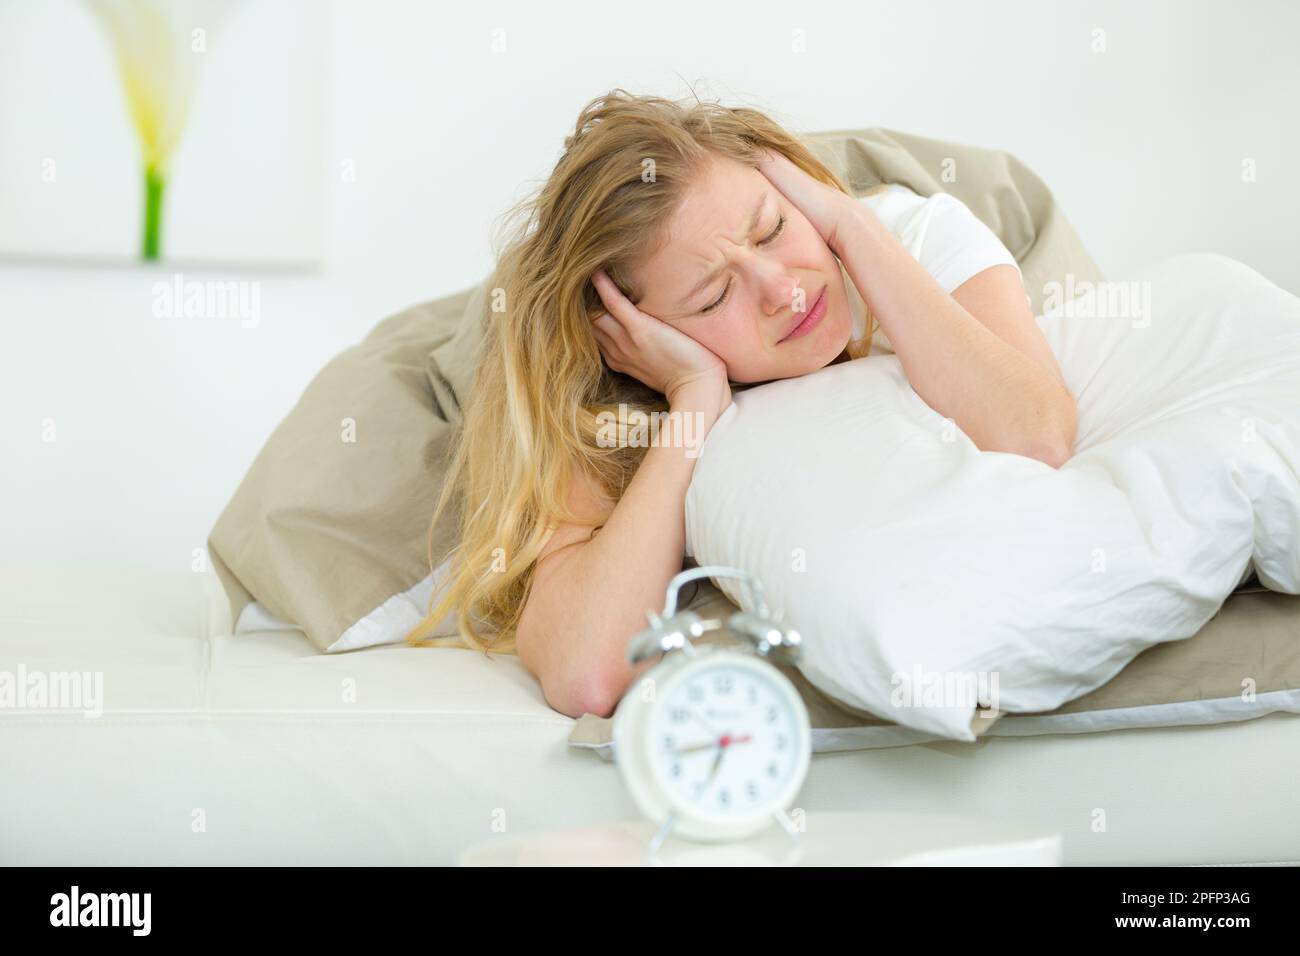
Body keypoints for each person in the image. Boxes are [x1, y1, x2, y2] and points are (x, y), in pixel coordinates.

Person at [403, 89, 1077, 719]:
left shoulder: (913, 235)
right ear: (639, 336)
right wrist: (694, 399)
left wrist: (847, 225)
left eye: (771, 228)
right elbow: (586, 671)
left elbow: (1036, 436)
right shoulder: (607, 381)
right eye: (712, 296)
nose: (782, 289)